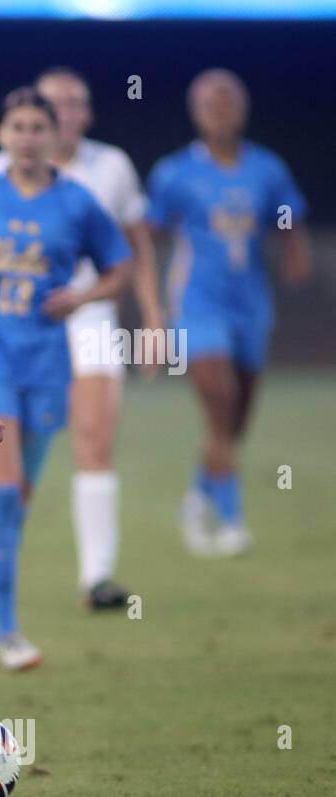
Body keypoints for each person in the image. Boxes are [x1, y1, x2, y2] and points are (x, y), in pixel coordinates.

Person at [0, 88, 133, 671]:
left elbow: (120, 268)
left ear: (53, 135)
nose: (28, 136)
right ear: (1, 134)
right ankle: (10, 634)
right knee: (5, 488)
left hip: (44, 365)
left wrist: (84, 297)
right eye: (17, 126)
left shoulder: (77, 203)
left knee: (18, 500)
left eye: (38, 126)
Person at [0, 67, 163, 611]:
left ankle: (97, 577)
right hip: (7, 325)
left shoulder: (110, 167)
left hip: (85, 317)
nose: (63, 112)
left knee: (94, 440)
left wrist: (155, 319)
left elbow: (134, 250)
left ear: (85, 114)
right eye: (54, 103)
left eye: (74, 102)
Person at [147, 69, 311, 557]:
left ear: (243, 110)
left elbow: (289, 219)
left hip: (250, 305)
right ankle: (233, 521)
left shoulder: (266, 169)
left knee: (237, 415)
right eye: (210, 105)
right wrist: (150, 302)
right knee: (219, 406)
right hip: (198, 304)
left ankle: (198, 496)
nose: (220, 113)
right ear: (196, 113)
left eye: (228, 104)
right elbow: (149, 233)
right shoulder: (174, 173)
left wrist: (296, 259)